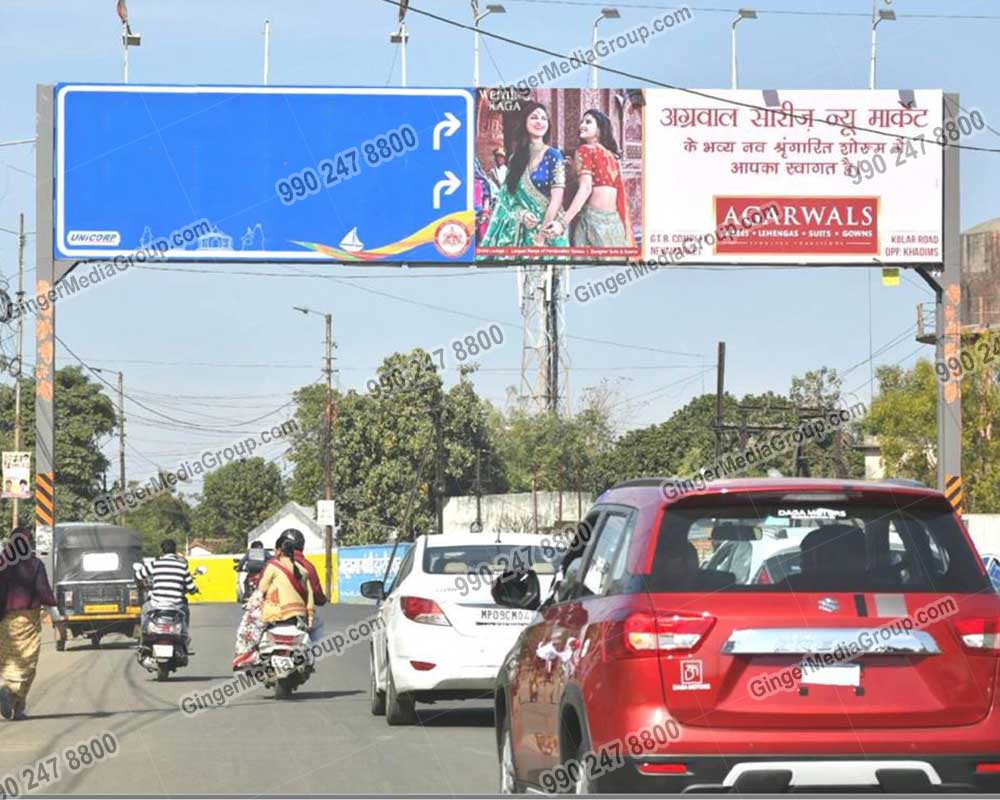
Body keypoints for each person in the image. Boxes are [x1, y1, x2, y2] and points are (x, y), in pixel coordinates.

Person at [480, 102, 569, 251]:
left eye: (543, 118)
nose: (539, 121)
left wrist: (540, 238)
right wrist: (521, 214)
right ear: (525, 123)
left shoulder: (554, 155)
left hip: (548, 231)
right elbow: (506, 199)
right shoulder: (516, 159)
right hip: (520, 233)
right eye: (534, 117)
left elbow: (556, 199)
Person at [544, 109, 635, 251]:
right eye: (582, 122)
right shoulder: (613, 156)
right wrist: (575, 167)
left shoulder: (585, 150)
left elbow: (586, 188)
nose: (581, 125)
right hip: (615, 225)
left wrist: (562, 223)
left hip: (593, 223)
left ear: (600, 129)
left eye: (588, 122)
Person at [0, 527, 61, 721]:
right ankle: (13, 696)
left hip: (5, 620)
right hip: (28, 621)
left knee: (6, 658)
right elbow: (43, 591)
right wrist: (55, 612)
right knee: (27, 661)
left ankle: (11, 698)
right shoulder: (35, 564)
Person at [232, 536, 313, 669]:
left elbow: (261, 590)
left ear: (278, 551)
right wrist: (309, 617)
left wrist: (251, 607)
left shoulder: (273, 567)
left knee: (247, 627)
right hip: (299, 615)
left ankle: (246, 656)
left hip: (276, 614)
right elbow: (309, 596)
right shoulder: (303, 570)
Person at [138, 539, 197, 643]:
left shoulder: (155, 564)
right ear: (175, 550)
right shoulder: (182, 566)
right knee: (186, 612)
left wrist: (143, 585)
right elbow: (191, 587)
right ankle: (184, 635)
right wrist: (194, 590)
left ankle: (143, 637)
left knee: (144, 610)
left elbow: (138, 575)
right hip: (177, 605)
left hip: (156, 604)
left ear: (162, 551)